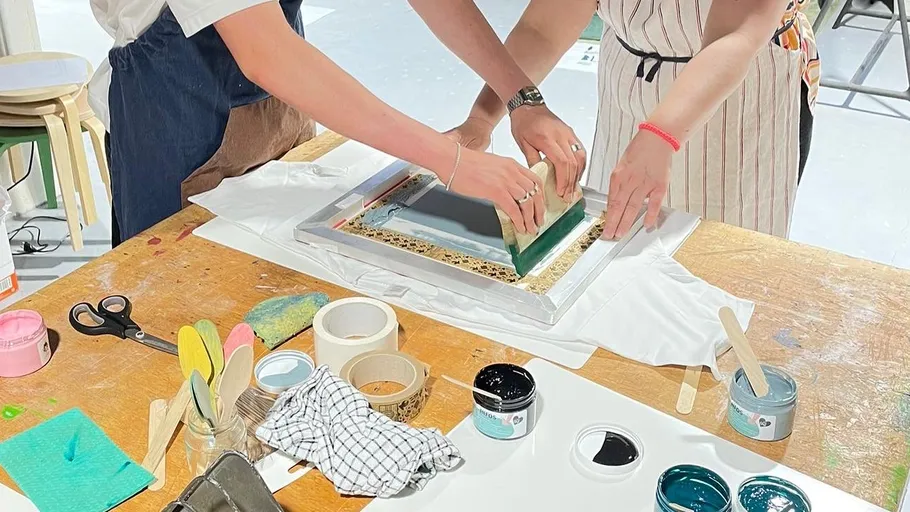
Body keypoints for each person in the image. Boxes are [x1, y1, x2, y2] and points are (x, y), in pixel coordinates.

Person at [87, 0, 589, 245]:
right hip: (174, 123)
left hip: (278, 115)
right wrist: (450, 160)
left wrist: (521, 98)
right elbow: (267, 52)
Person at [439, 0, 820, 241]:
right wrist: (483, 118)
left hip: (738, 95)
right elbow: (544, 28)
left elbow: (735, 36)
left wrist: (660, 134)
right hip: (628, 78)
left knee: (722, 258)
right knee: (617, 242)